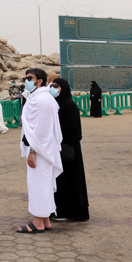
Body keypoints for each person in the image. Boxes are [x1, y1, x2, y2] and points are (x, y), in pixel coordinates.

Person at [17, 68, 63, 233]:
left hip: (41, 150)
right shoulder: (40, 97)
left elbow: (40, 129)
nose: (27, 80)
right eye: (26, 78)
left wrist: (32, 151)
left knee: (39, 184)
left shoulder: (42, 99)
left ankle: (37, 222)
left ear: (40, 81)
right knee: (43, 182)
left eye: (30, 78)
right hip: (43, 149)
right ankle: (44, 220)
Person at [51, 78, 89, 221]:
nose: (53, 88)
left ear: (64, 88)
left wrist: (56, 135)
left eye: (56, 86)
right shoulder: (55, 104)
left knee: (66, 181)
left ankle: (65, 211)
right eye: (52, 85)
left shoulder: (69, 105)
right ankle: (57, 209)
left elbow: (73, 131)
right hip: (57, 148)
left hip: (67, 149)